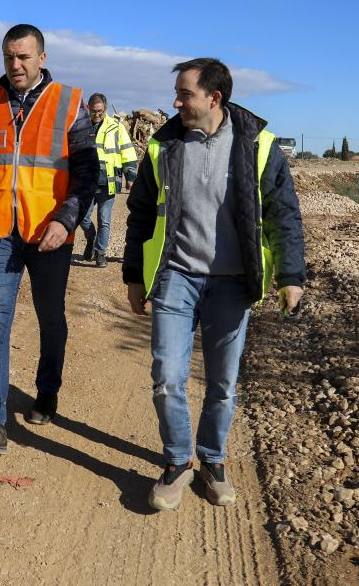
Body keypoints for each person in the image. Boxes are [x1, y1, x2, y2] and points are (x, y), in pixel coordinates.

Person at [123, 57, 304, 510]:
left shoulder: (257, 146)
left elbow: (283, 214)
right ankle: (178, 461)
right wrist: (132, 275)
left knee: (222, 383)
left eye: (185, 94)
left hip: (232, 283)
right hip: (176, 277)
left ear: (213, 98)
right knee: (167, 377)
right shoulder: (163, 146)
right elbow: (141, 214)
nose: (176, 101)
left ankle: (212, 460)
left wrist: (290, 275)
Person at [0, 24, 97, 456]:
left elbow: (87, 173)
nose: (15, 65)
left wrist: (67, 221)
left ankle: (47, 390)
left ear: (41, 57)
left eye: (23, 57)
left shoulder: (70, 103)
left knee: (49, 317)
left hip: (50, 232)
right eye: (8, 58)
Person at [79, 93, 138, 267]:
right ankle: (91, 239)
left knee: (104, 219)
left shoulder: (116, 127)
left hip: (109, 181)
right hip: (88, 182)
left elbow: (127, 151)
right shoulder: (81, 126)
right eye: (93, 111)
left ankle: (100, 253)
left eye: (100, 111)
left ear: (105, 109)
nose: (97, 115)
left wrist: (130, 176)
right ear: (88, 109)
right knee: (83, 217)